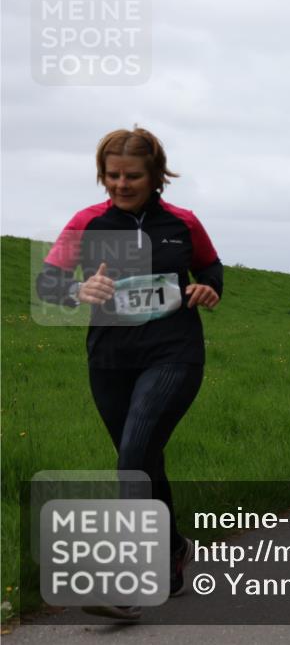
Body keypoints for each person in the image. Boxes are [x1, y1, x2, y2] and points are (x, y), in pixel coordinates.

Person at [36, 127, 222, 620]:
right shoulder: (88, 223)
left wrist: (208, 290)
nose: (121, 184)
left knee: (134, 454)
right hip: (110, 360)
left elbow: (212, 270)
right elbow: (48, 283)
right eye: (112, 175)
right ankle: (174, 549)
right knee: (142, 459)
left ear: (156, 175)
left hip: (173, 354)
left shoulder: (183, 223)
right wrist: (78, 292)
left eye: (132, 176)